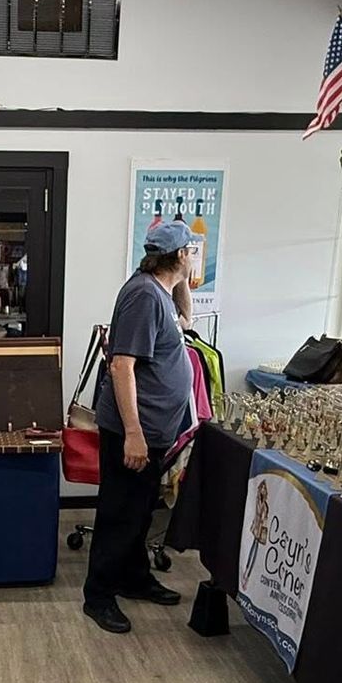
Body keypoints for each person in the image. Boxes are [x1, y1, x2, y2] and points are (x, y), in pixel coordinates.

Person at [82, 220, 197, 634]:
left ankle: (133, 577)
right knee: (119, 513)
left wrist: (183, 279)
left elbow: (186, 318)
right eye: (191, 251)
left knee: (139, 512)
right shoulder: (143, 296)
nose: (194, 256)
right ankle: (98, 595)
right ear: (181, 255)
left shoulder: (161, 291)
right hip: (135, 432)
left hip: (154, 430)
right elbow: (121, 365)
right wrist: (134, 434)